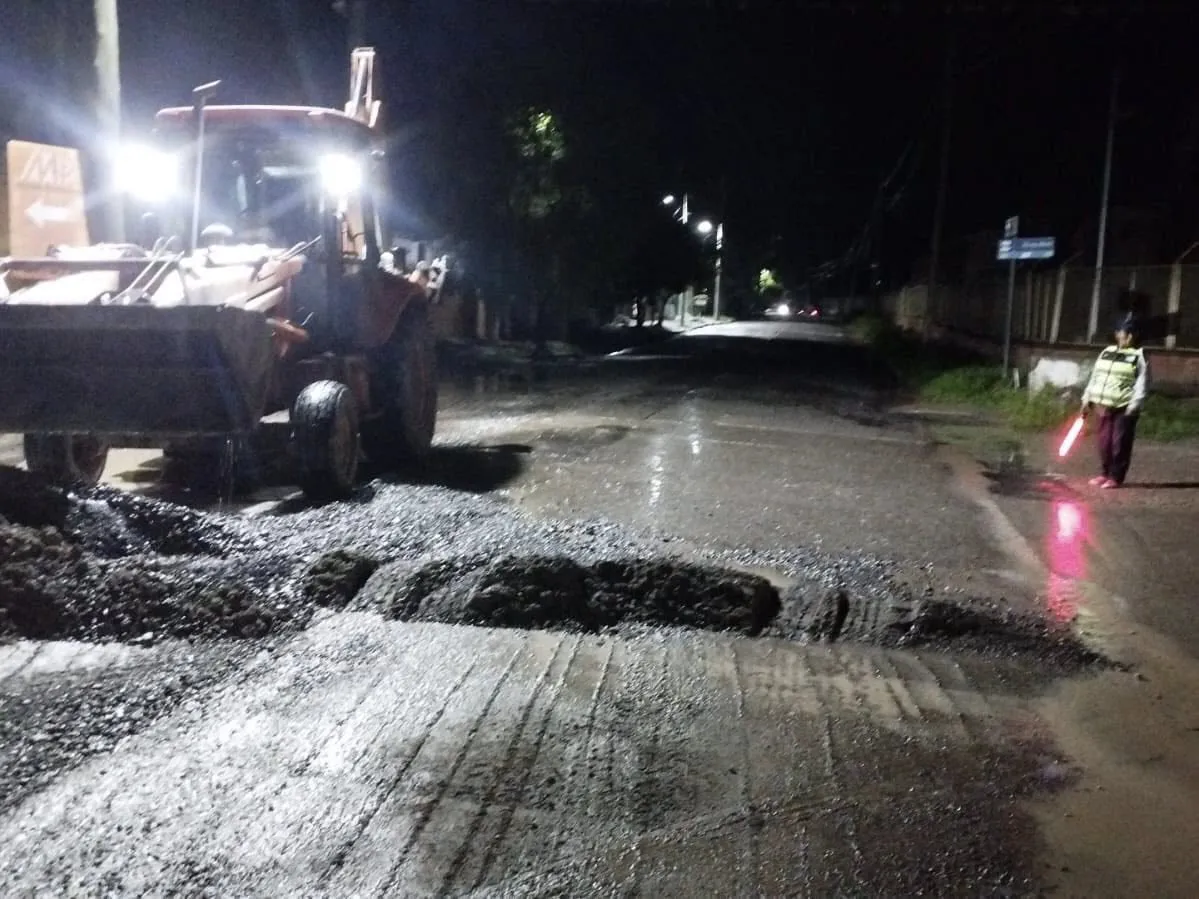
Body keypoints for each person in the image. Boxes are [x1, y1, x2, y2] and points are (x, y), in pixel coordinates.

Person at [1080, 313, 1149, 489]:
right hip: (1103, 405)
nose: (1126, 336)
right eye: (1124, 332)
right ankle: (1104, 473)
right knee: (1104, 442)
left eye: (1130, 333)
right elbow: (1095, 377)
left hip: (1124, 407)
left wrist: (1134, 406)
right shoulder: (1106, 352)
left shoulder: (1139, 356)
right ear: (1117, 333)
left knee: (1120, 443)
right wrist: (1087, 398)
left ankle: (1116, 477)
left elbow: (1142, 383)